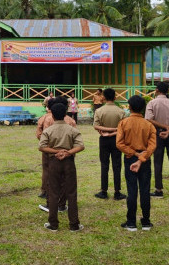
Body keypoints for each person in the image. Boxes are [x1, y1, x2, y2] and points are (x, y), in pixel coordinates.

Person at [39, 102, 84, 231]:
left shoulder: (48, 131)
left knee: (53, 193)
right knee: (71, 193)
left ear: (52, 115)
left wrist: (55, 152)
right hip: (69, 162)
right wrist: (67, 152)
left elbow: (41, 147)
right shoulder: (72, 130)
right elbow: (81, 146)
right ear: (65, 114)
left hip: (54, 162)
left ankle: (53, 224)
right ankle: (74, 225)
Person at [116, 95, 157, 232]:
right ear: (143, 108)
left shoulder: (123, 123)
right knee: (145, 190)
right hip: (145, 160)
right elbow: (152, 146)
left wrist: (134, 154)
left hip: (130, 158)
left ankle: (131, 222)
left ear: (129, 107)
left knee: (131, 190)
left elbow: (119, 143)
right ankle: (146, 221)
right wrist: (142, 156)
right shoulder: (149, 125)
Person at [145, 82, 169, 198]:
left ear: (156, 90)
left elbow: (148, 119)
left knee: (158, 162)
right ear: (168, 91)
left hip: (157, 134)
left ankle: (158, 190)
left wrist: (164, 127)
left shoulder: (151, 103)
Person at [36, 97, 76, 209]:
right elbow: (75, 139)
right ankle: (62, 203)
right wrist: (67, 151)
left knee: (49, 175)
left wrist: (50, 148)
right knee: (64, 178)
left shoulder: (47, 119)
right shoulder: (71, 121)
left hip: (50, 152)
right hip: (68, 153)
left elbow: (40, 135)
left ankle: (49, 199)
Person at [93, 88, 126, 200]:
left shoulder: (99, 111)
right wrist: (114, 131)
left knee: (104, 165)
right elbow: (124, 128)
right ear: (115, 97)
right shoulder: (121, 111)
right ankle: (117, 192)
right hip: (117, 140)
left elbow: (96, 126)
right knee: (117, 166)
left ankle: (104, 191)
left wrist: (107, 131)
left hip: (104, 139)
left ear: (103, 98)